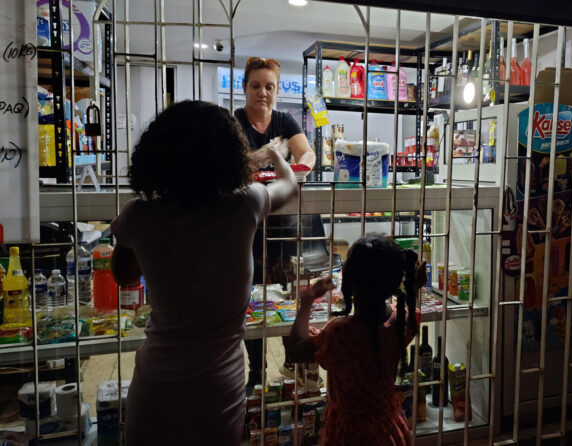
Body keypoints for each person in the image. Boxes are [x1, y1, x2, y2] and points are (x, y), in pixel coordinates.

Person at [110, 100, 297, 445]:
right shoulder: (246, 204)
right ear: (230, 154)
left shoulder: (138, 214)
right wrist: (276, 157)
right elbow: (289, 186)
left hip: (155, 388)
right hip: (218, 387)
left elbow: (124, 275)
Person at [284, 235, 424, 446]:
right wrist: (414, 285)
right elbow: (407, 308)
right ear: (393, 283)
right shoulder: (401, 320)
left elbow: (295, 351)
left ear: (350, 280)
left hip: (349, 432)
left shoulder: (340, 333)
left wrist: (308, 300)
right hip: (390, 427)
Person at [234, 56, 317, 387]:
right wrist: (266, 154)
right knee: (250, 295)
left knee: (288, 292)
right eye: (256, 86)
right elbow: (231, 165)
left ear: (277, 90)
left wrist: (298, 168)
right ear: (245, 88)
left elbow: (307, 154)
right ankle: (255, 371)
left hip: (283, 221)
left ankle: (292, 361)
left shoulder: (285, 120)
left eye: (269, 87)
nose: (262, 93)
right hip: (248, 222)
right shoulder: (234, 122)